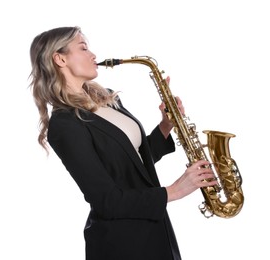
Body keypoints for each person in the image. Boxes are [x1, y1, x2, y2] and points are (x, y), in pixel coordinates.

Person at [29, 26, 217, 260]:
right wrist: (174, 190)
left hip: (156, 229)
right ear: (59, 59)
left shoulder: (107, 99)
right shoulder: (64, 124)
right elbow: (107, 201)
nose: (93, 55)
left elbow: (132, 160)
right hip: (122, 243)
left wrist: (166, 125)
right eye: (83, 48)